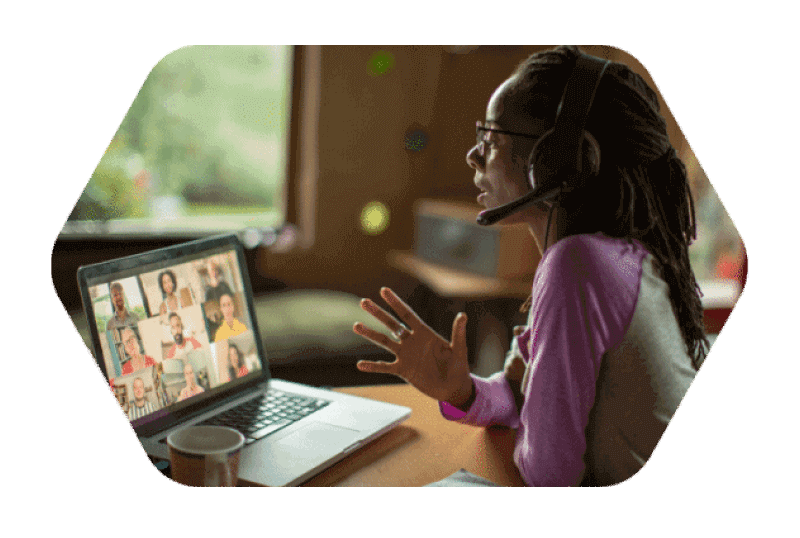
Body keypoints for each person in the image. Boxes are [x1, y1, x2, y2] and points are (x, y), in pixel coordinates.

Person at [353, 45, 709, 487]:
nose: (473, 156)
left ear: (556, 161)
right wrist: (463, 391)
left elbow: (550, 473)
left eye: (492, 140)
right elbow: (521, 394)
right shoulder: (624, 254)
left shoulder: (577, 265)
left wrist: (529, 421)